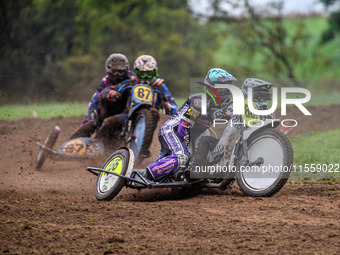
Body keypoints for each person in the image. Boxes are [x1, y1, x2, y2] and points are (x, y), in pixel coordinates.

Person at [142, 68, 237, 180]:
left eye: (227, 87)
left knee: (200, 160)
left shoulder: (216, 105)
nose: (225, 90)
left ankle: (180, 175)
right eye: (221, 87)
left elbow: (231, 119)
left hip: (193, 134)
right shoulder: (199, 100)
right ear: (212, 87)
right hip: (173, 130)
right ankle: (147, 175)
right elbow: (183, 125)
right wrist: (187, 149)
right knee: (182, 157)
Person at [96, 55, 177, 140]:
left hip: (152, 118)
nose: (145, 77)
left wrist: (168, 107)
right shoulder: (129, 82)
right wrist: (112, 93)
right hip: (128, 115)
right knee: (108, 122)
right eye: (142, 73)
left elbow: (172, 104)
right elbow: (106, 90)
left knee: (162, 126)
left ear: (154, 73)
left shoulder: (160, 86)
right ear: (136, 72)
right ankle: (98, 143)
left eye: (149, 74)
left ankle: (146, 148)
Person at [70, 53, 137, 139]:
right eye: (114, 71)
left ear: (126, 70)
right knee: (90, 122)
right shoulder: (104, 82)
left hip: (125, 110)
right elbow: (95, 102)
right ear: (108, 70)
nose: (117, 75)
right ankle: (73, 142)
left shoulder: (132, 78)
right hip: (106, 111)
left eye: (120, 72)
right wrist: (85, 124)